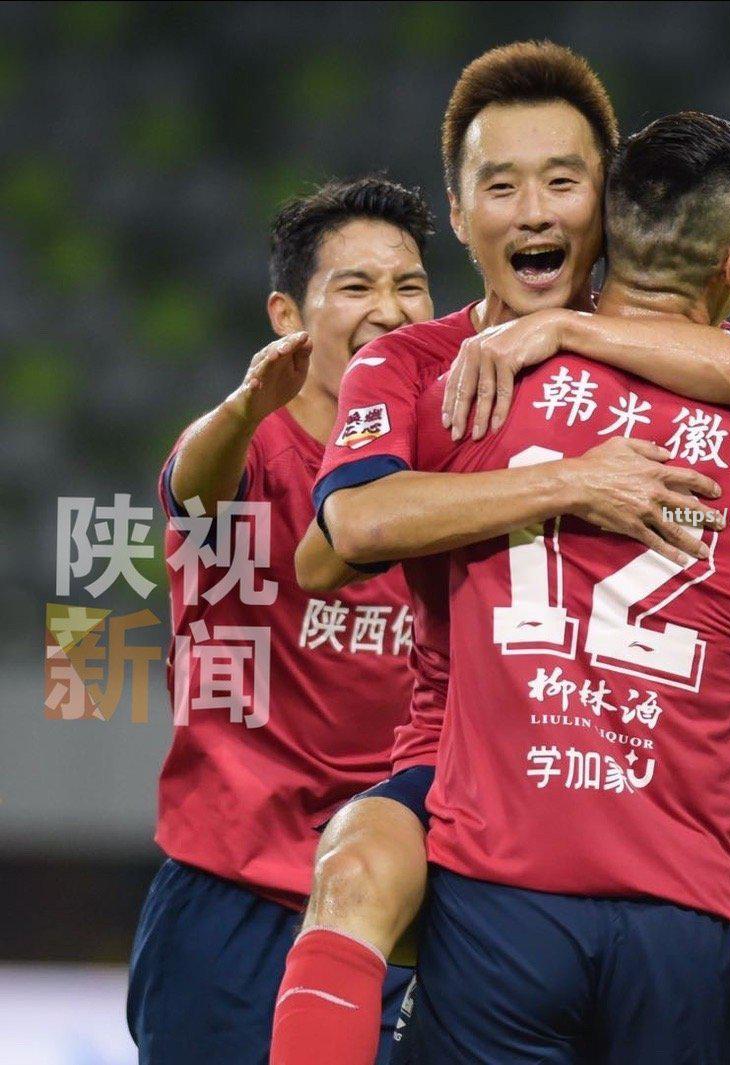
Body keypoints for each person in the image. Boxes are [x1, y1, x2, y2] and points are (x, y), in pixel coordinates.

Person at [273, 41, 730, 1065]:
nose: (534, 211)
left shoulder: (674, 372)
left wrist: (570, 341)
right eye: (502, 185)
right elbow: (341, 537)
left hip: (637, 774)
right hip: (458, 760)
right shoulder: (418, 365)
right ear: (458, 212)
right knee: (355, 868)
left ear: (608, 205)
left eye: (563, 181)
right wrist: (574, 482)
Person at [393, 108, 730, 1063]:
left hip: (501, 888)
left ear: (608, 237)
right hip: (681, 907)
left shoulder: (473, 396)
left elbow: (381, 542)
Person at [127, 177, 435, 1063]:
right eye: (356, 286)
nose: (388, 308)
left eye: (409, 285)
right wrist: (244, 407)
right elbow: (192, 488)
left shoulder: (447, 463)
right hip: (234, 904)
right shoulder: (250, 449)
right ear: (286, 314)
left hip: (390, 912)